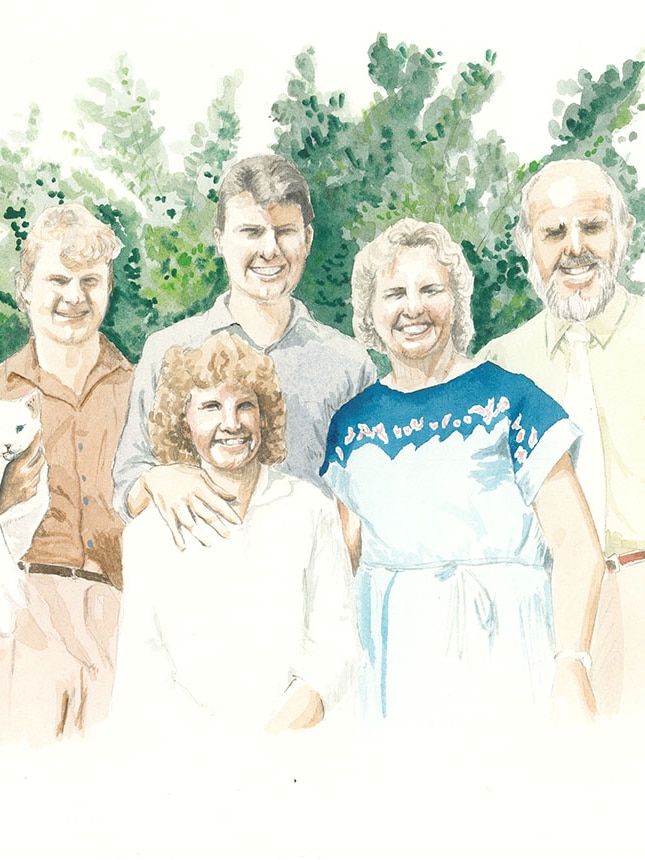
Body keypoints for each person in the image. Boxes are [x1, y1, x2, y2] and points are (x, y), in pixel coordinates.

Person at [321, 218, 605, 725]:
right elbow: (343, 562)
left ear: (456, 300)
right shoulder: (351, 426)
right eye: (394, 293)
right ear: (369, 310)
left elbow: (577, 545)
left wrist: (571, 663)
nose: (413, 307)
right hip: (394, 661)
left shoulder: (514, 398)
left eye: (431, 289)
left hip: (507, 652)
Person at [113, 154, 376, 548]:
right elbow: (126, 491)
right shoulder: (168, 351)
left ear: (307, 239)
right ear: (220, 241)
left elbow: (367, 503)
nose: (270, 249)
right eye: (251, 231)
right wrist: (157, 479)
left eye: (285, 231)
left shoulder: (349, 364)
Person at [113, 333, 358, 734]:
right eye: (211, 406)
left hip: (297, 745)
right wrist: (222, 749)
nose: (231, 423)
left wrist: (273, 735)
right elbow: (144, 671)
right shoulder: (149, 534)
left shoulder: (310, 509)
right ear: (183, 421)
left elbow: (337, 647)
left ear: (265, 416)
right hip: (192, 754)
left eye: (245, 405)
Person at [481, 159, 645, 713]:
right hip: (537, 617)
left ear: (624, 233)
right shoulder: (498, 364)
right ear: (528, 246)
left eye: (593, 227)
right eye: (554, 231)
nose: (575, 248)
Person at [0, 203, 133, 743]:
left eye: (91, 281)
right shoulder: (1, 390)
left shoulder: (143, 386)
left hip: (126, 612)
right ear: (24, 288)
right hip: (25, 610)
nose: (74, 297)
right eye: (57, 279)